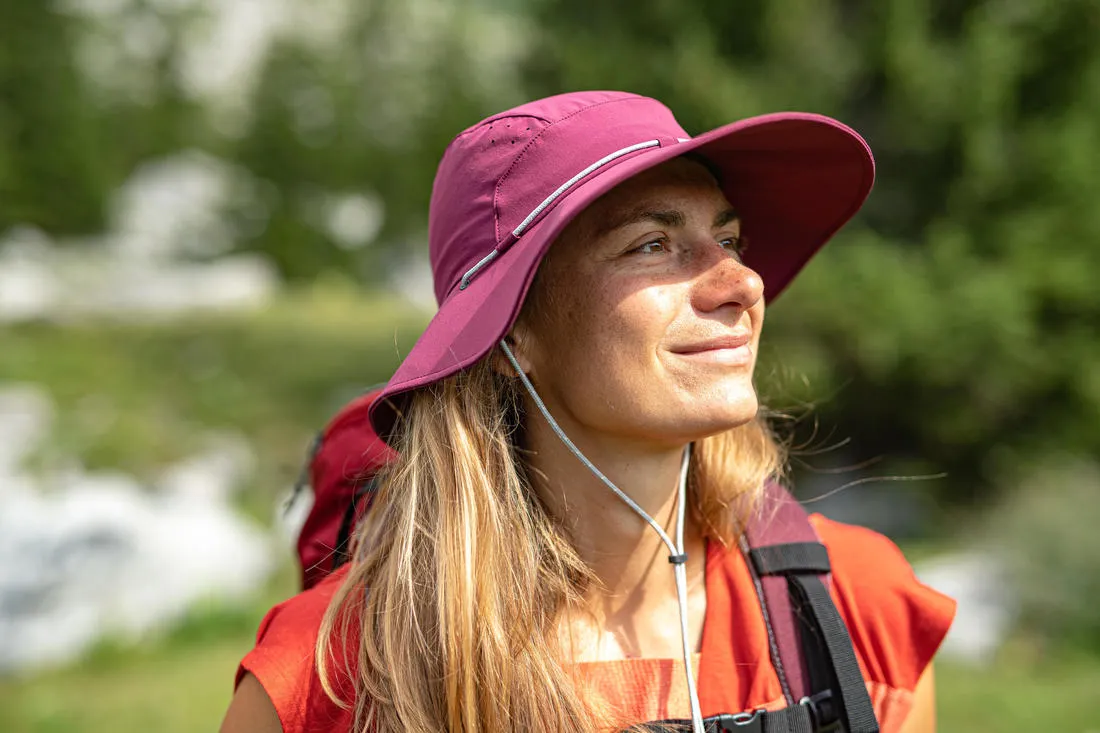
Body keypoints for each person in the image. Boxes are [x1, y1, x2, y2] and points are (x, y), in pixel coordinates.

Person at [220, 91, 955, 733]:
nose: (740, 282)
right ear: (512, 335)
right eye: (652, 244)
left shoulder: (854, 609)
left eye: (728, 239)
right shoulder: (333, 674)